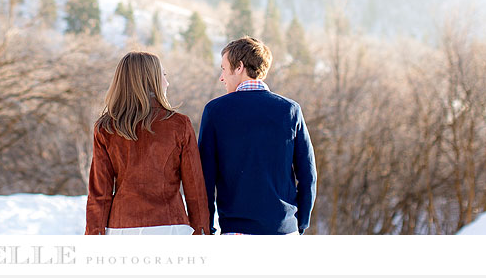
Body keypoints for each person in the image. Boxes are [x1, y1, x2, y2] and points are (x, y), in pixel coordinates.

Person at [198, 36, 316, 235]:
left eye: (223, 69)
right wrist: (301, 222)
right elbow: (308, 173)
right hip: (284, 231)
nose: (221, 77)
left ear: (239, 67)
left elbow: (205, 178)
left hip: (236, 231)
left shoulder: (215, 111)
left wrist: (207, 226)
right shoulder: (290, 110)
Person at [85, 51, 210, 235]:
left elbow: (99, 193)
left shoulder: (106, 127)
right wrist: (202, 231)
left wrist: (94, 234)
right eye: (164, 75)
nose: (167, 82)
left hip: (121, 227)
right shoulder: (179, 124)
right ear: (152, 80)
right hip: (169, 226)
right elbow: (195, 189)